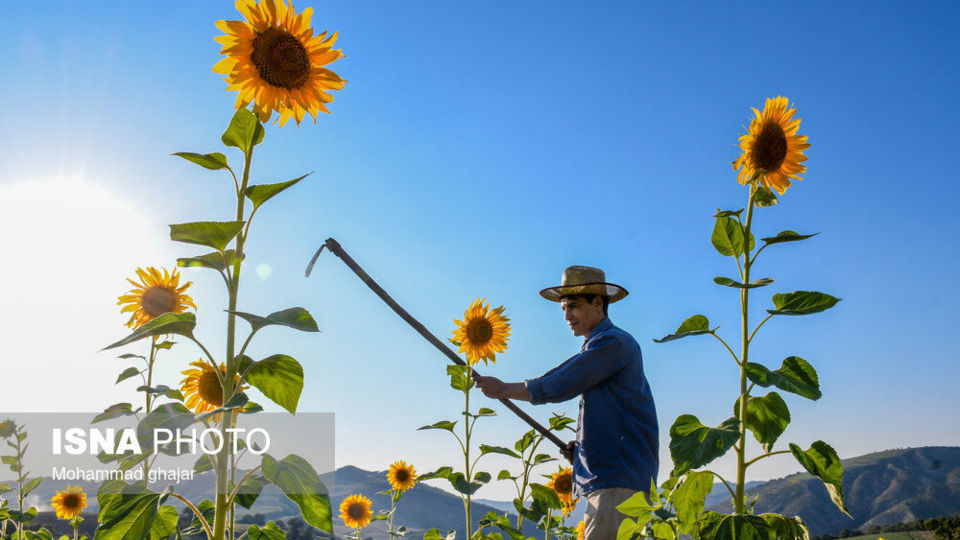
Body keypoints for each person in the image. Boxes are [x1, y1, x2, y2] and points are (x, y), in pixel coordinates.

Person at [475, 265, 659, 540]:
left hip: (617, 480)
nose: (566, 316)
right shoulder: (601, 346)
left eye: (572, 307)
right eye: (563, 309)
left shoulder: (612, 343)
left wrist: (503, 389)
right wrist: (583, 450)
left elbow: (561, 383)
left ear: (598, 303)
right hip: (614, 476)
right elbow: (611, 413)